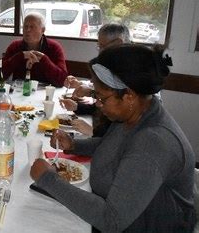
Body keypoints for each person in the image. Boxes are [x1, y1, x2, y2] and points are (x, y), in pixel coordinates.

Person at [31, 44, 196, 232]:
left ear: (129, 97)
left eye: (101, 98)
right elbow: (112, 144)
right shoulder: (136, 113)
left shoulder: (152, 143)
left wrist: (47, 179)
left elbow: (112, 220)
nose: (98, 105)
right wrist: (74, 145)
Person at [61, 23, 131, 137]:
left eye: (103, 46)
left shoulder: (130, 74)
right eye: (99, 46)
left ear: (118, 43)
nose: (100, 52)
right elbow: (106, 105)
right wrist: (78, 107)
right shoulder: (115, 66)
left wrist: (94, 133)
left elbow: (121, 137)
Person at [2, 12, 68, 87]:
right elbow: (0, 76)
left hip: (45, 93)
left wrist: (44, 60)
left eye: (32, 27)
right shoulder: (15, 46)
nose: (28, 30)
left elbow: (62, 81)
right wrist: (20, 56)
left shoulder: (54, 47)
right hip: (19, 92)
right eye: (25, 26)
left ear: (42, 30)